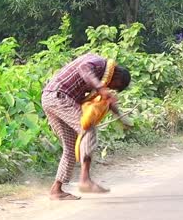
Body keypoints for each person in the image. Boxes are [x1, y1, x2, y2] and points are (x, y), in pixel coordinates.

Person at [41, 54, 131, 200]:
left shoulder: (101, 79)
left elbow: (107, 100)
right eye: (113, 86)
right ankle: (85, 179)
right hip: (59, 96)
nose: (109, 88)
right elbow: (84, 68)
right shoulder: (98, 63)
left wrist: (120, 118)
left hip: (50, 99)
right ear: (116, 77)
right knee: (88, 128)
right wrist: (101, 88)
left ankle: (56, 190)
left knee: (70, 147)